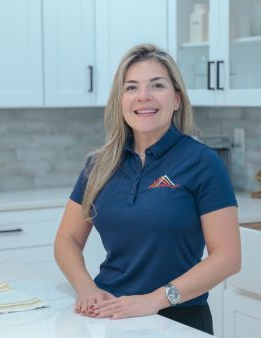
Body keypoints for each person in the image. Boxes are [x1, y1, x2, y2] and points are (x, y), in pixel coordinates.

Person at [54, 44, 241, 335]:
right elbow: (66, 239)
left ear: (177, 99)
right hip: (109, 317)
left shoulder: (203, 162)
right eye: (131, 88)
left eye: (157, 85)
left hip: (178, 320)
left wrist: (154, 301)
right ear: (120, 100)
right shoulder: (99, 164)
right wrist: (86, 288)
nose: (144, 97)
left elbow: (228, 257)